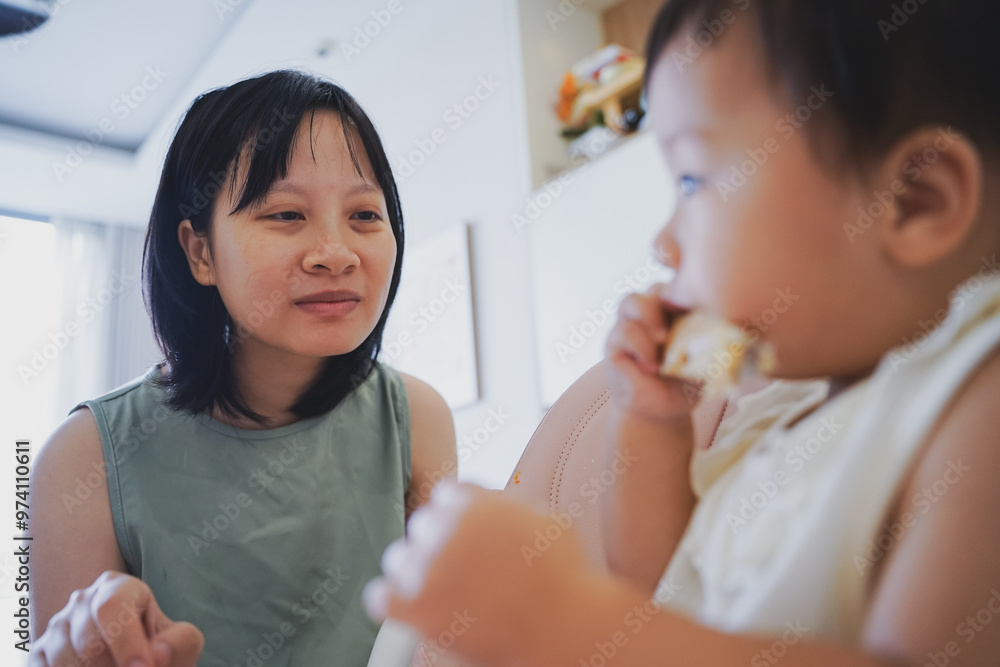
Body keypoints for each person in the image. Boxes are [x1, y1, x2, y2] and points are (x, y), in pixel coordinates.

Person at [363, 1, 1000, 664]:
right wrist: (653, 422)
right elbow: (660, 593)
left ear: (917, 199)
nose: (663, 241)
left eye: (694, 179)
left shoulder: (975, 399)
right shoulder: (784, 415)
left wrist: (567, 619)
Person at [27, 70, 457, 667]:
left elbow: (435, 642)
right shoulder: (82, 457)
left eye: (364, 215)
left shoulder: (416, 418)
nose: (336, 253)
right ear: (200, 251)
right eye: (285, 214)